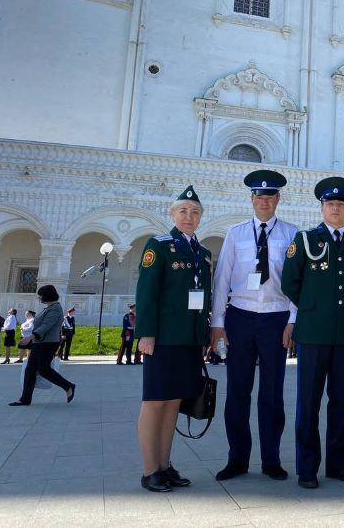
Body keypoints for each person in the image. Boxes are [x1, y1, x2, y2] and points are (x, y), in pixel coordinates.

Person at [281, 177, 344, 489]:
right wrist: (313, 307)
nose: (336, 208)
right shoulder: (305, 240)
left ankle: (338, 464)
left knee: (342, 402)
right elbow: (289, 282)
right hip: (313, 333)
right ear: (322, 207)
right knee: (308, 402)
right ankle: (306, 467)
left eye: (341, 204)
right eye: (330, 203)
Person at [211, 169, 299, 482]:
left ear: (278, 199)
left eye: (270, 195)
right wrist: (218, 323)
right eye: (259, 196)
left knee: (272, 393)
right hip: (241, 316)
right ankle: (237, 458)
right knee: (238, 390)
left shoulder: (292, 233)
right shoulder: (235, 233)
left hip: (276, 318)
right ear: (252, 199)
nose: (264, 201)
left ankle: (271, 459)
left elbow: (297, 281)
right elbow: (222, 277)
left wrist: (292, 319)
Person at [135, 185, 212, 492]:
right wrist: (146, 334)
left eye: (195, 212)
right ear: (173, 214)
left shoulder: (203, 254)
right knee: (154, 402)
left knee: (174, 403)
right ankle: (149, 469)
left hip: (190, 339)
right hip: (163, 337)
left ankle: (165, 466)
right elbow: (147, 293)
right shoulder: (159, 245)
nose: (189, 217)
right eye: (183, 211)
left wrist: (203, 337)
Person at [9, 285, 76, 406]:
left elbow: (46, 325)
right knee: (30, 370)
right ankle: (25, 399)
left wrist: (31, 336)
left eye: (40, 295)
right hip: (40, 343)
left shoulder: (55, 309)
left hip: (48, 343)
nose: (39, 297)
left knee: (44, 370)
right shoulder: (49, 308)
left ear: (47, 295)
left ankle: (68, 386)